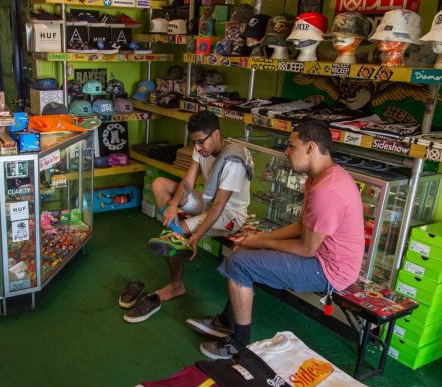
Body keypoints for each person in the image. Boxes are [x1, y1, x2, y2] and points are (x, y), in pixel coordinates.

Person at [188, 120, 365, 359]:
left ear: (311, 147)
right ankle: (226, 321)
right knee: (243, 255)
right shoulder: (320, 178)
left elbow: (307, 248)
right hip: (321, 256)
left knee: (240, 262)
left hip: (330, 270)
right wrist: (259, 237)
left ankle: (239, 343)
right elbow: (303, 226)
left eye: (292, 146)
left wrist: (258, 242)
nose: (286, 151)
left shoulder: (327, 190)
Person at [120, 111, 254, 323]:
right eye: (195, 142)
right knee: (159, 184)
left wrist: (198, 235)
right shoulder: (201, 149)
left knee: (173, 233)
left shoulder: (233, 161)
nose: (198, 147)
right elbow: (187, 182)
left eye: (201, 142)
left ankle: (175, 281)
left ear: (216, 134)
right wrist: (173, 204)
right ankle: (174, 234)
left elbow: (220, 204)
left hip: (230, 215)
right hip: (208, 203)